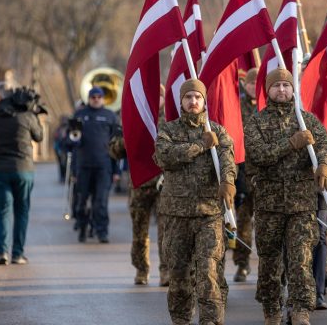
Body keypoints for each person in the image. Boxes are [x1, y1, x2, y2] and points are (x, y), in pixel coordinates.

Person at [244, 68, 327, 325]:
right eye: (276, 86)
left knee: (301, 259)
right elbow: (258, 155)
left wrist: (325, 165)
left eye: (286, 85)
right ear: (268, 90)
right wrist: (291, 143)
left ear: (293, 89)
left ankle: (300, 308)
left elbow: (324, 147)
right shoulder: (257, 123)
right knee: (270, 262)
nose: (282, 90)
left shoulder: (307, 120)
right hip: (269, 205)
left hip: (302, 204)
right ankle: (272, 309)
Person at [154, 79, 235, 325]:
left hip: (209, 214)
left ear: (204, 101)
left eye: (197, 97)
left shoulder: (217, 131)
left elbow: (228, 161)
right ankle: (180, 319)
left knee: (209, 271)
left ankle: (211, 319)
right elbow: (164, 157)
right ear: (181, 101)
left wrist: (228, 181)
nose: (193, 102)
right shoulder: (169, 131)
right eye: (188, 97)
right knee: (178, 273)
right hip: (176, 215)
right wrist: (200, 145)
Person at [108, 85, 167, 286]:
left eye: (158, 96)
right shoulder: (134, 118)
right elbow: (113, 151)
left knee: (166, 231)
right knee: (139, 230)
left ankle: (166, 270)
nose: (155, 100)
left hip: (164, 183)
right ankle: (141, 269)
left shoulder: (171, 119)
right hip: (139, 183)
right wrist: (127, 141)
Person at [0, 82, 44, 265]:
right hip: (23, 170)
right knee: (22, 211)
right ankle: (18, 253)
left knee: (3, 211)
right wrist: (33, 112)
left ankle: (2, 252)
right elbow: (39, 136)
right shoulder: (26, 117)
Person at [71, 87, 120, 244]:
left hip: (104, 166)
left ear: (103, 98)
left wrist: (116, 170)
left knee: (101, 202)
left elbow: (116, 145)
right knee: (82, 201)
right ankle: (83, 227)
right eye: (93, 96)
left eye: (99, 96)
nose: (96, 99)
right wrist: (73, 170)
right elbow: (71, 143)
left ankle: (102, 231)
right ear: (89, 98)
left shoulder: (110, 116)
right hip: (83, 166)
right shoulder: (80, 115)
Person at [234, 68, 258, 282]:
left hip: (264, 174)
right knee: (243, 222)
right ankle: (242, 263)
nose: (253, 87)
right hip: (243, 172)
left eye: (256, 84)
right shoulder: (238, 107)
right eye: (250, 83)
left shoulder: (267, 106)